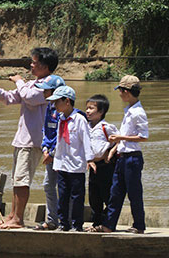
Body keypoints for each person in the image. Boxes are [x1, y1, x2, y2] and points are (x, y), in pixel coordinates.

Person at [0, 47, 58, 229]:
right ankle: (12, 216)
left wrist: (19, 81)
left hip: (34, 140)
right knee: (17, 179)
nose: (31, 65)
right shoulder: (31, 83)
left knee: (23, 180)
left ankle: (18, 219)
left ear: (45, 66)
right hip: (22, 138)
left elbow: (30, 98)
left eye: (34, 62)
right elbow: (9, 98)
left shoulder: (50, 85)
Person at [88, 75, 149, 233]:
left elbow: (143, 136)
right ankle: (109, 225)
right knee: (115, 193)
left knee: (134, 193)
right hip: (123, 157)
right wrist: (115, 148)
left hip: (132, 158)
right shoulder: (129, 110)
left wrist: (120, 138)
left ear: (126, 92)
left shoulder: (137, 112)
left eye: (121, 91)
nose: (120, 95)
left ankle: (139, 226)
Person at [46, 85, 96, 231]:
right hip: (62, 164)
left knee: (76, 196)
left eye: (57, 101)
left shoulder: (79, 119)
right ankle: (64, 223)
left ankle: (76, 224)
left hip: (76, 164)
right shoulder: (61, 119)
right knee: (63, 195)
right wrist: (52, 155)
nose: (54, 105)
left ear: (67, 101)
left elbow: (86, 140)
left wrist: (90, 159)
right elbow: (59, 140)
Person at [32, 75, 65, 230]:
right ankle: (52, 220)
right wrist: (45, 149)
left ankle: (66, 220)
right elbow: (46, 130)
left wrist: (52, 153)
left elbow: (62, 135)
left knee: (65, 187)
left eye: (46, 90)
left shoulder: (63, 110)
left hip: (62, 155)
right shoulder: (50, 107)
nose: (44, 93)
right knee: (48, 185)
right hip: (50, 153)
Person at [85, 94, 119, 230]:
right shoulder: (85, 126)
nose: (87, 111)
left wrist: (111, 152)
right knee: (94, 197)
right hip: (92, 166)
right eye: (86, 108)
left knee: (107, 194)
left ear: (101, 112)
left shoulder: (106, 127)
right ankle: (96, 223)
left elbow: (120, 139)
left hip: (106, 165)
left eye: (91, 108)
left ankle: (107, 222)